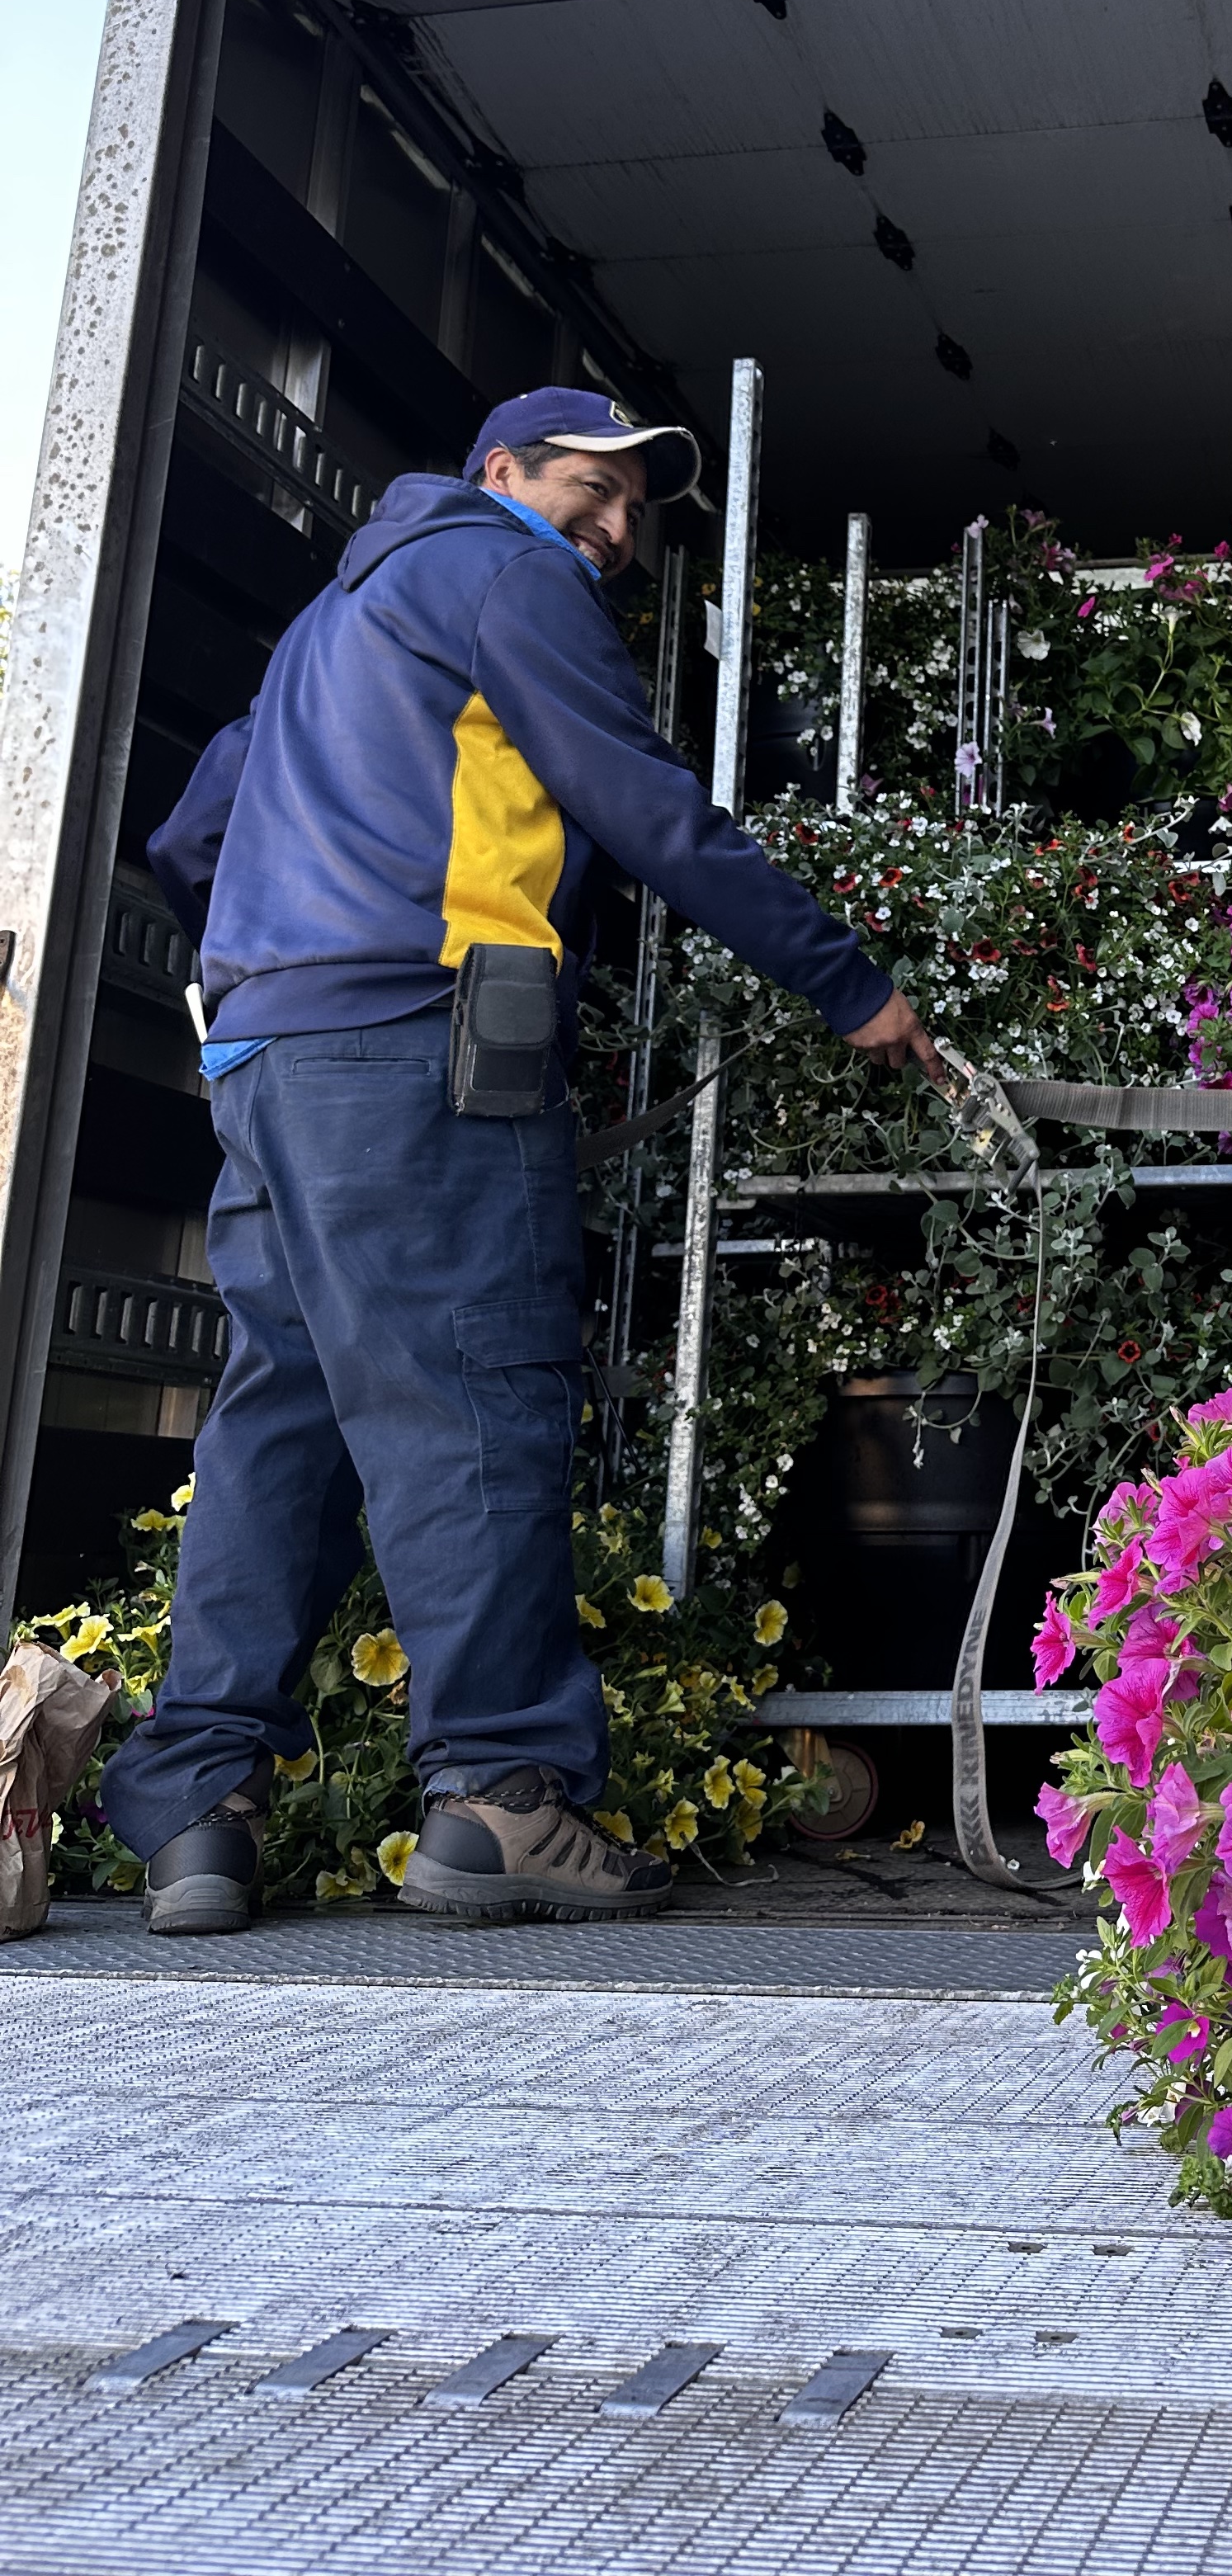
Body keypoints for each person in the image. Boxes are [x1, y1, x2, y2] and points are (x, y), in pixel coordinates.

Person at [107, 388, 940, 1937]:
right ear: (500, 475)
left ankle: (199, 1812)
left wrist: (280, 964)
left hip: (268, 1056)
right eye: (592, 486)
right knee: (474, 1394)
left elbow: (193, 831)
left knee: (279, 1414)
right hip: (425, 1043)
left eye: (637, 509)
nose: (615, 528)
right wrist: (847, 984)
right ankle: (498, 1798)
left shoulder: (326, 627)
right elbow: (645, 805)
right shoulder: (504, 572)